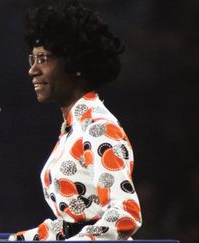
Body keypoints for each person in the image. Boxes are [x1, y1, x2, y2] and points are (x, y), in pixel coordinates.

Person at [9, 0, 142, 241]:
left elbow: (125, 215)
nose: (33, 70)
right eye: (33, 59)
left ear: (75, 64)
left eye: (44, 59)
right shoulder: (75, 129)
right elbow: (73, 226)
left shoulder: (100, 129)